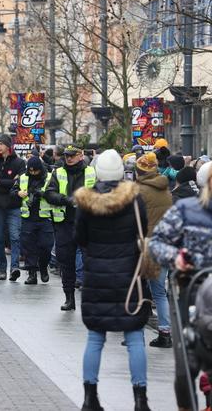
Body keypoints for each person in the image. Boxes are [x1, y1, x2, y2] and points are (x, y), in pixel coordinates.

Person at [74, 149, 151, 411]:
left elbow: (80, 238)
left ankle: (89, 397)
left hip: (96, 276)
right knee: (134, 337)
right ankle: (140, 399)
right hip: (129, 276)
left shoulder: (87, 202)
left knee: (95, 338)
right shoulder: (134, 199)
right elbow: (144, 231)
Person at [149, 161, 212, 411]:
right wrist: (176, 258)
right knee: (187, 363)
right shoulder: (186, 210)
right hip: (193, 294)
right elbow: (157, 243)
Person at [45, 145, 96, 310]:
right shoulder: (58, 172)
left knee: (90, 261)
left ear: (81, 156)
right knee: (65, 262)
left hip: (86, 223)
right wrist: (66, 200)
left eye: (72, 155)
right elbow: (49, 193)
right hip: (64, 224)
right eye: (67, 155)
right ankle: (69, 298)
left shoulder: (91, 172)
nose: (68, 158)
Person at [134, 152, 173, 349]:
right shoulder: (165, 188)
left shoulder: (139, 191)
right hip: (165, 244)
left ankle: (135, 333)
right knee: (160, 292)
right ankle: (165, 332)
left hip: (146, 246)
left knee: (140, 291)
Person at [0, 135, 26, 281]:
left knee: (15, 237)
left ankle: (14, 267)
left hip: (14, 206)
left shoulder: (19, 163)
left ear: (8, 146)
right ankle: (2, 269)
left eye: (1, 143)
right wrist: (9, 183)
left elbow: (20, 183)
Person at [11, 155, 53, 285]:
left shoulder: (49, 178)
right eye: (31, 171)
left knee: (46, 246)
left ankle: (43, 266)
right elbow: (12, 191)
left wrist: (43, 194)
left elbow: (55, 194)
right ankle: (32, 273)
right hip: (28, 217)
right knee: (29, 247)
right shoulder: (23, 177)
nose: (33, 173)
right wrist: (18, 193)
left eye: (36, 171)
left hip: (45, 217)